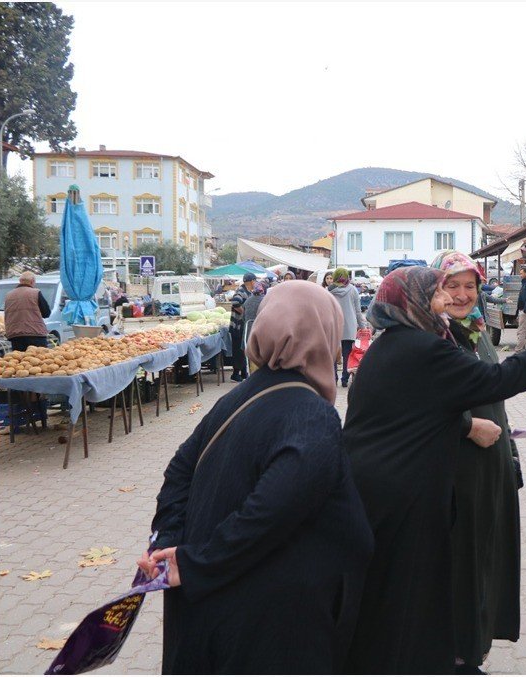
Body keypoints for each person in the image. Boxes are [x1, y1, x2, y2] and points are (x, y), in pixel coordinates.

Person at [343, 266, 526, 674]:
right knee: (406, 590)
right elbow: (498, 379)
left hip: (379, 486)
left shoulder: (391, 346)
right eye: (437, 292)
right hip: (402, 492)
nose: (447, 299)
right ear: (414, 303)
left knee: (395, 588)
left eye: (461, 287)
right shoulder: (424, 349)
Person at [140, 281, 374, 674]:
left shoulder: (238, 395)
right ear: (323, 335)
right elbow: (272, 510)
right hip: (266, 620)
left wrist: (170, 541)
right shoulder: (312, 414)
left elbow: (178, 472)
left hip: (214, 606)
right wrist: (193, 562)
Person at [431, 251, 522, 674]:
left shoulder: (477, 329)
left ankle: (476, 646)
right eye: (452, 285)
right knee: (461, 563)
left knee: (487, 557)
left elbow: (497, 397)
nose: (462, 294)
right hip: (457, 472)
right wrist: (467, 428)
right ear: (436, 289)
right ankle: (455, 655)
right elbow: (419, 405)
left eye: (470, 286)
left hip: (492, 467)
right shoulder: (434, 336)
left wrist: (512, 456)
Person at [328, 267, 367, 388]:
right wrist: (363, 327)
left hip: (334, 324)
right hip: (349, 325)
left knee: (333, 354)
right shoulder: (353, 290)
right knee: (347, 354)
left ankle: (333, 379)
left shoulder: (329, 290)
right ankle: (344, 379)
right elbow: (358, 311)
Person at [3, 271, 51, 352]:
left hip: (15, 336)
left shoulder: (8, 295)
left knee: (20, 359)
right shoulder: (36, 292)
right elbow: (46, 313)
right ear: (32, 281)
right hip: (35, 334)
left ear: (20, 281)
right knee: (40, 357)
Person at [228, 273, 255, 382]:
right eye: (255, 281)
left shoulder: (248, 292)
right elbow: (235, 302)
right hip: (237, 327)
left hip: (242, 327)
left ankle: (244, 373)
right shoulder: (241, 291)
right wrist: (244, 313)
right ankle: (235, 374)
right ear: (252, 281)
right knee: (238, 351)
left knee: (243, 350)